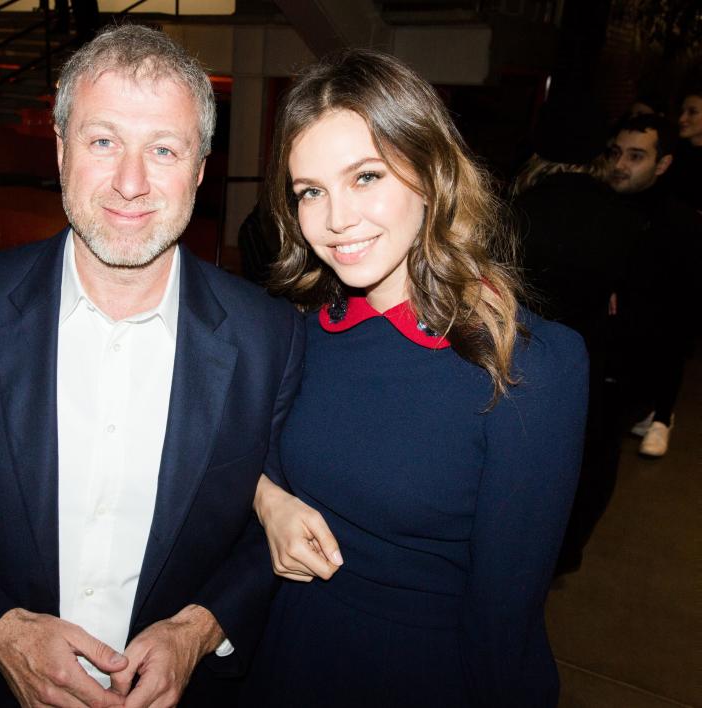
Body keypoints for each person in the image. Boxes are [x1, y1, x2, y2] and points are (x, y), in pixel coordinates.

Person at [0, 25, 304, 708]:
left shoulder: (270, 337)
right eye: (102, 142)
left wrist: (199, 628)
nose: (130, 182)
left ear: (201, 169)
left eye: (163, 149)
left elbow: (268, 532)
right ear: (61, 151)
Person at [242, 49, 588, 707]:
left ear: (430, 172)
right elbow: (234, 455)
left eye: (365, 177)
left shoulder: (529, 366)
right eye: (310, 191)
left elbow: (503, 620)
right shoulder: (295, 331)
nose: (335, 219)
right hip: (285, 655)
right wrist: (268, 499)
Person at [510, 97, 639, 575]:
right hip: (585, 366)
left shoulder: (518, 210)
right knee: (576, 465)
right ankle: (558, 555)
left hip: (516, 361)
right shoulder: (623, 217)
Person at [606, 113, 701, 457]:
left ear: (662, 164)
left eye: (635, 156)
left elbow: (683, 315)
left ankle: (660, 415)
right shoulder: (600, 204)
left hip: (650, 341)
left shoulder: (679, 223)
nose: (619, 164)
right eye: (615, 152)